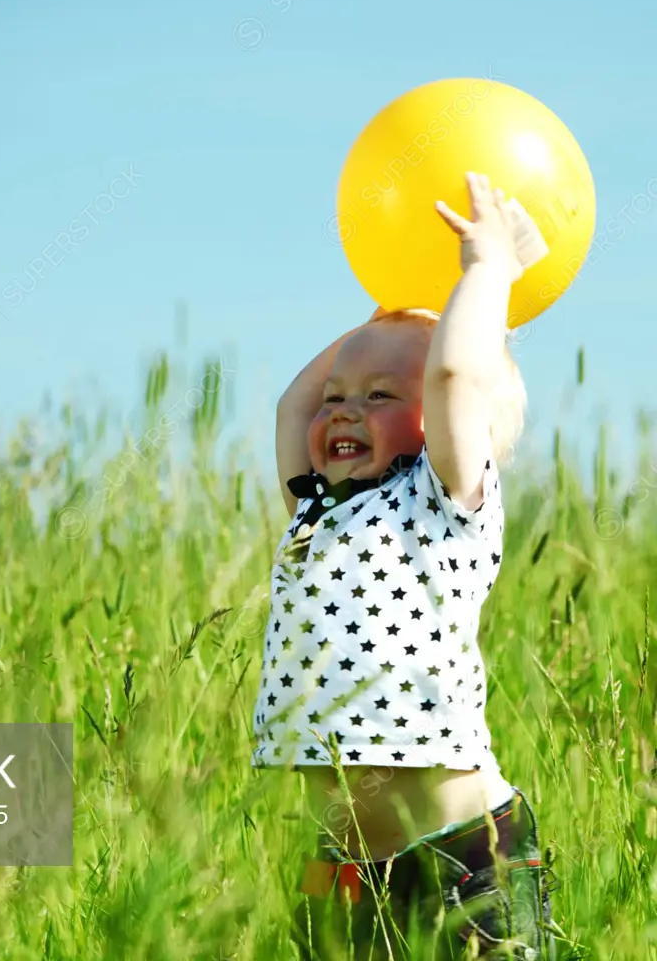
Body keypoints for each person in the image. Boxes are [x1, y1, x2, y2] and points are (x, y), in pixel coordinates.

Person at [253, 173, 556, 959]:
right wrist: (391, 302)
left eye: (380, 394)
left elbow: (456, 377)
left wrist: (486, 273)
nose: (341, 410)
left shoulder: (443, 503)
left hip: (459, 856)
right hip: (343, 869)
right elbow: (293, 403)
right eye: (339, 397)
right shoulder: (314, 514)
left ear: (447, 427)